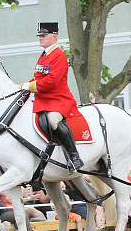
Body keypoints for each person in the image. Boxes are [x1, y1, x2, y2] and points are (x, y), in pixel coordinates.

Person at [19, 22, 84, 171]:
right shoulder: (44, 55)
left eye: (44, 35)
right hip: (43, 100)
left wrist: (29, 87)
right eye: (40, 35)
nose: (41, 38)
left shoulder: (58, 56)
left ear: (54, 36)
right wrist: (22, 86)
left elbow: (51, 81)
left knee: (53, 120)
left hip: (58, 99)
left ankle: (74, 157)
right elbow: (38, 78)